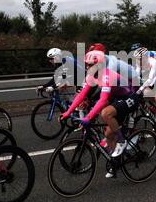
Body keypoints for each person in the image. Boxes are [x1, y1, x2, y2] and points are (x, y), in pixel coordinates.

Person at [59, 50, 140, 178]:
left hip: (129, 97)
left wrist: (88, 117)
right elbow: (81, 95)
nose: (87, 67)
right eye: (86, 64)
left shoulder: (107, 75)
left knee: (105, 113)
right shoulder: (91, 76)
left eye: (90, 65)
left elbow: (103, 100)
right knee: (108, 134)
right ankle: (116, 163)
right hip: (116, 97)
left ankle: (122, 140)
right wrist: (67, 112)